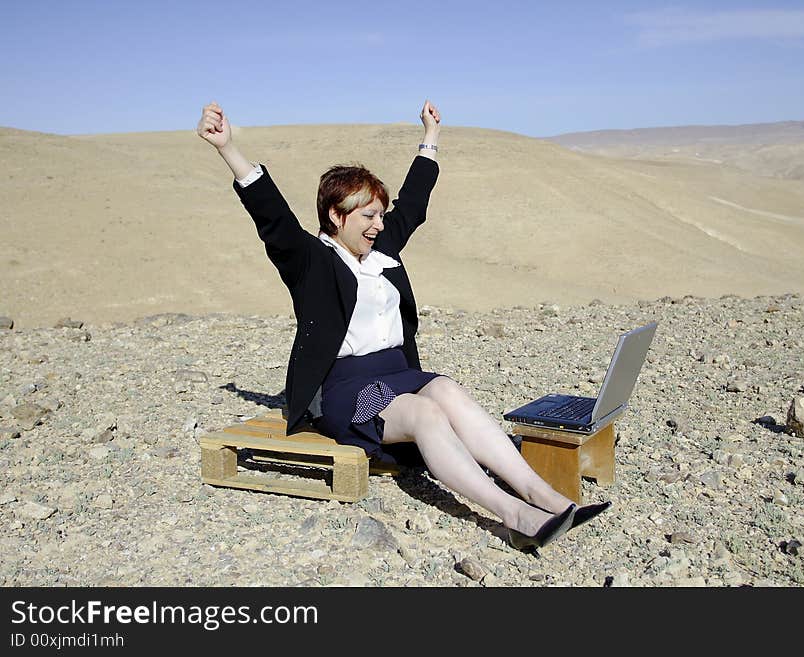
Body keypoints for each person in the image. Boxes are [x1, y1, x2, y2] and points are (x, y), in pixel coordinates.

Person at [196, 100, 609, 551]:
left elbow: (414, 202)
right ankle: (514, 516)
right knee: (425, 413)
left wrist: (430, 136)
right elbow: (271, 216)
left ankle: (543, 494)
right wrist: (228, 148)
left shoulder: (380, 251)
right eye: (368, 215)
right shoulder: (310, 262)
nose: (379, 224)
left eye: (380, 215)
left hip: (399, 373)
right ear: (336, 216)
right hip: (351, 389)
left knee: (448, 390)